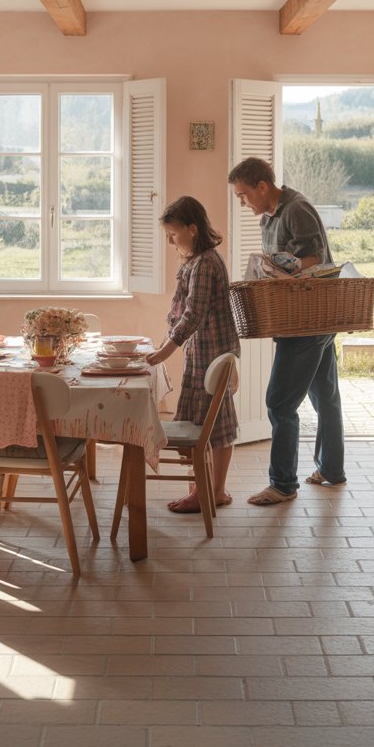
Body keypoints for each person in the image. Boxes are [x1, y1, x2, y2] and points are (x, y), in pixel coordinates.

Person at [228, 157, 346, 505]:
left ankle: (282, 484)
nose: (242, 202)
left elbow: (316, 258)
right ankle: (331, 470)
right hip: (315, 317)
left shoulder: (296, 208)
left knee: (278, 403)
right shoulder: (272, 214)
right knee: (325, 398)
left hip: (307, 321)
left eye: (243, 194)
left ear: (262, 186)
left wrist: (279, 270)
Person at [146, 196, 241, 513]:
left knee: (204, 425)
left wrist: (163, 352)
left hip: (206, 354)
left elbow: (193, 316)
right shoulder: (206, 259)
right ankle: (215, 490)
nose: (170, 241)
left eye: (173, 233)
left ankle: (204, 492)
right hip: (212, 350)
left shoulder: (203, 264)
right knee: (218, 425)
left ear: (192, 228)